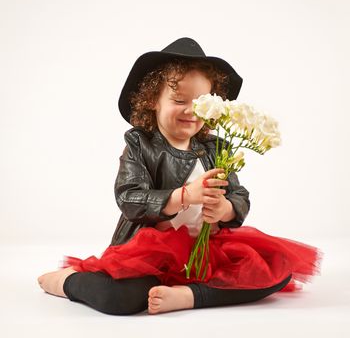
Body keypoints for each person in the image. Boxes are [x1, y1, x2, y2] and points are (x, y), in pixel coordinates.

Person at [38, 37, 322, 315]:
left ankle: (189, 296)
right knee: (121, 298)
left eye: (201, 103)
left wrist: (225, 209)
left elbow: (239, 195)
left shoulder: (216, 148)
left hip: (207, 248)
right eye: (179, 100)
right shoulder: (140, 143)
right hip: (150, 250)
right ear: (153, 101)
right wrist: (184, 196)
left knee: (276, 271)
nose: (190, 111)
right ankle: (66, 281)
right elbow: (129, 196)